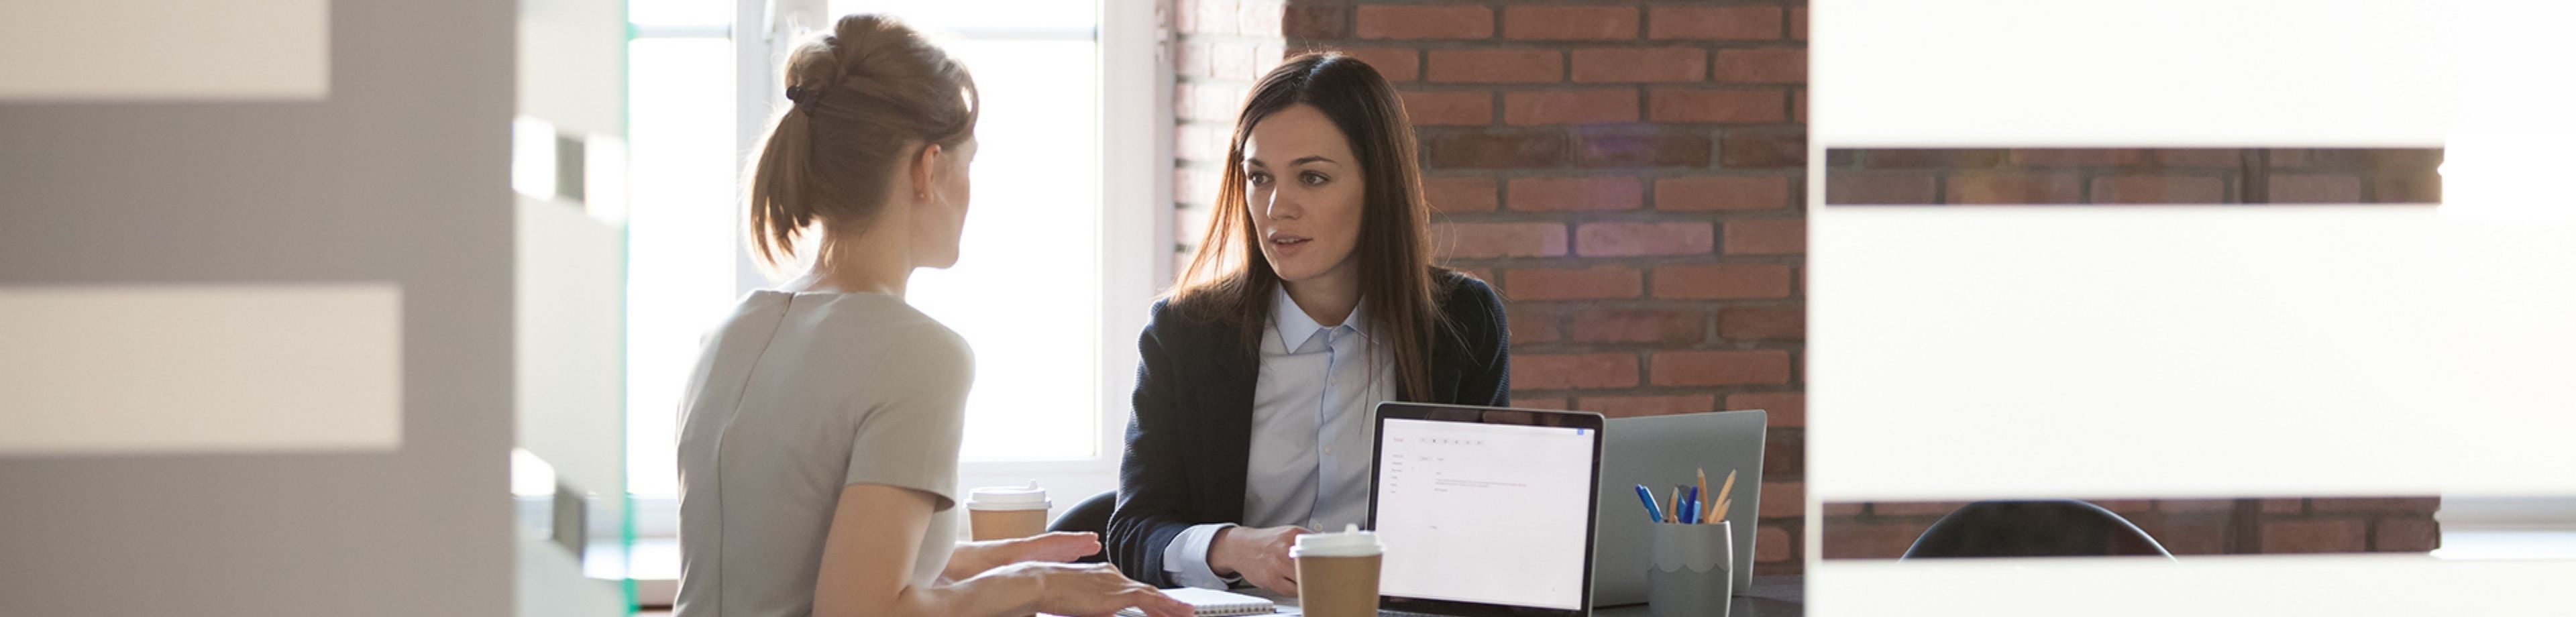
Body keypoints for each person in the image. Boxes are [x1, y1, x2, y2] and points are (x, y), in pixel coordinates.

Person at [674, 14, 1187, 617]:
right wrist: (1036, 585)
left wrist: (982, 561)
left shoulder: (730, 331)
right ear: (927, 169)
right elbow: (860, 613)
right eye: (967, 165)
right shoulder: (916, 353)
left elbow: (787, 557)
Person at [1105, 51, 1512, 595]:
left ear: (1378, 185)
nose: (1277, 207)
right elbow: (1133, 533)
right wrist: (1234, 547)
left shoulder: (1462, 320)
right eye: (1259, 177)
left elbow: (1484, 521)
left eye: (1312, 177)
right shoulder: (1186, 333)